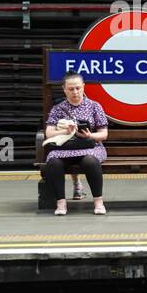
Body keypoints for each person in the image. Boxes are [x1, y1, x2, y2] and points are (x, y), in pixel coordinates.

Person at [41, 71, 108, 216]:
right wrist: (65, 131)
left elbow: (104, 134)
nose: (75, 92)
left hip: (90, 146)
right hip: (65, 147)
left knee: (90, 161)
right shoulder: (58, 109)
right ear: (64, 89)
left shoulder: (94, 106)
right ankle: (61, 203)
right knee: (53, 163)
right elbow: (49, 133)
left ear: (84, 87)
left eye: (78, 88)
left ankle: (98, 201)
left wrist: (90, 135)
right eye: (71, 89)